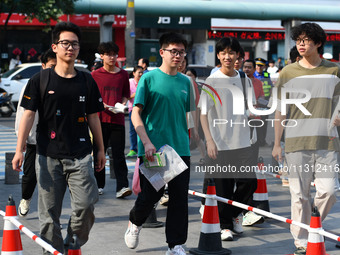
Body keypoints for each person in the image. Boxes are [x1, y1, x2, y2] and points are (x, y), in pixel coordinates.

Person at [12, 22, 106, 254]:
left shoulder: (86, 80)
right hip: (47, 156)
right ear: (55, 47)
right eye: (65, 43)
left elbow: (94, 117)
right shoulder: (40, 80)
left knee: (85, 205)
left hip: (81, 156)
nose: (70, 48)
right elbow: (27, 116)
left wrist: (101, 149)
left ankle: (70, 244)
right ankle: (51, 251)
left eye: (74, 44)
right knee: (48, 217)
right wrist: (19, 149)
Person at [272, 22, 340, 255]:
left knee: (329, 191)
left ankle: (313, 217)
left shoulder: (334, 70)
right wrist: (276, 143)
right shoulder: (288, 72)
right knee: (298, 195)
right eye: (298, 40)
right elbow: (280, 110)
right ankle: (301, 241)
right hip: (296, 142)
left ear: (318, 43)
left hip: (327, 142)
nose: (301, 44)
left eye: (306, 40)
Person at [124, 32, 195, 255]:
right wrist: (145, 142)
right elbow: (136, 114)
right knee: (150, 196)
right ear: (162, 52)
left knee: (179, 200)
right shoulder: (149, 78)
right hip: (155, 150)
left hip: (180, 149)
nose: (178, 56)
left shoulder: (186, 82)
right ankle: (135, 222)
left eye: (181, 52)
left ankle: (175, 245)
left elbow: (189, 117)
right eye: (173, 51)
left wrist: (201, 140)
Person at [198, 37, 258, 242]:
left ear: (238, 56)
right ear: (218, 55)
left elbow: (251, 106)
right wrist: (209, 140)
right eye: (223, 53)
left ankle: (234, 215)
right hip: (220, 142)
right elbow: (203, 114)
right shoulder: (212, 81)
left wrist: (254, 112)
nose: (227, 57)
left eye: (231, 53)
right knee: (223, 186)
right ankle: (225, 226)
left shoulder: (244, 79)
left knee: (249, 182)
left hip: (243, 141)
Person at [15, 49, 57, 218]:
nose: (54, 70)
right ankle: (26, 198)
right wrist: (21, 138)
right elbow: (23, 113)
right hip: (34, 139)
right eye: (52, 66)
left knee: (53, 179)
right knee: (30, 176)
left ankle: (50, 215)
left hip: (55, 141)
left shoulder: (63, 83)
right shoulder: (34, 83)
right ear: (43, 65)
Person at [92, 42, 132, 198]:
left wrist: (122, 104)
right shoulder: (95, 75)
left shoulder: (122, 74)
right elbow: (92, 97)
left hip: (118, 120)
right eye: (108, 54)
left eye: (114, 54)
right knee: (98, 153)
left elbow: (125, 95)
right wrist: (100, 103)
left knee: (119, 155)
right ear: (101, 56)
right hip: (99, 121)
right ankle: (98, 185)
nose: (112, 57)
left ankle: (122, 187)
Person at [254, 57, 273, 146]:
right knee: (256, 122)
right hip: (255, 103)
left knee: (264, 122)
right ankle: (255, 140)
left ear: (264, 67)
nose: (259, 68)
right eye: (258, 65)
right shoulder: (252, 74)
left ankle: (262, 140)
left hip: (265, 103)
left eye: (261, 66)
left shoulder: (266, 75)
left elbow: (270, 87)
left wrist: (269, 99)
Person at [126, 65, 143, 157]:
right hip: (132, 109)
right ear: (134, 73)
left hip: (143, 110)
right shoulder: (130, 83)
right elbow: (127, 96)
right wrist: (136, 94)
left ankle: (142, 147)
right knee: (133, 130)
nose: (140, 74)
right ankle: (133, 149)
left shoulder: (144, 82)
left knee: (144, 129)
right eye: (139, 72)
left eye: (142, 72)